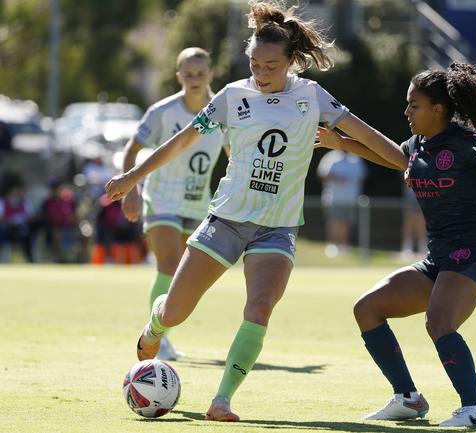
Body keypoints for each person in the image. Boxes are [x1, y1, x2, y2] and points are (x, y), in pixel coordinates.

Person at [106, 0, 407, 421]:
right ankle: (155, 326)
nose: (260, 74)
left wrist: (344, 144)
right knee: (175, 311)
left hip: (277, 229)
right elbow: (182, 142)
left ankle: (222, 399)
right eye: (254, 64)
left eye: (270, 66)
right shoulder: (232, 96)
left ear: (291, 62)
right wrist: (133, 176)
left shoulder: (313, 96)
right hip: (226, 220)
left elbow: (390, 153)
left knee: (260, 307)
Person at [316, 62, 476, 426]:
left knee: (439, 321)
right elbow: (391, 157)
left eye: (413, 105)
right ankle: (408, 399)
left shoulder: (466, 143)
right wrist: (342, 142)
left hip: (473, 253)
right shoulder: (416, 146)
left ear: (438, 110)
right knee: (366, 309)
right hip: (439, 259)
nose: (406, 112)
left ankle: (475, 410)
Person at [119, 47, 228, 360]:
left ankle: (161, 332)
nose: (195, 79)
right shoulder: (163, 111)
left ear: (210, 74)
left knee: (182, 272)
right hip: (161, 199)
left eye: (200, 73)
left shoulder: (225, 112)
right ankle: (157, 338)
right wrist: (132, 188)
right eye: (188, 74)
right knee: (168, 264)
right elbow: (132, 149)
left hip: (197, 205)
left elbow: (235, 156)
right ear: (179, 76)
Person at [316, 149, 367, 257]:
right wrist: (337, 178)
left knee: (346, 223)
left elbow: (361, 177)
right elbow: (322, 174)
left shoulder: (356, 158)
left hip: (350, 198)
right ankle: (332, 245)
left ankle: (343, 245)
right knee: (333, 221)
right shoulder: (331, 157)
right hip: (334, 197)